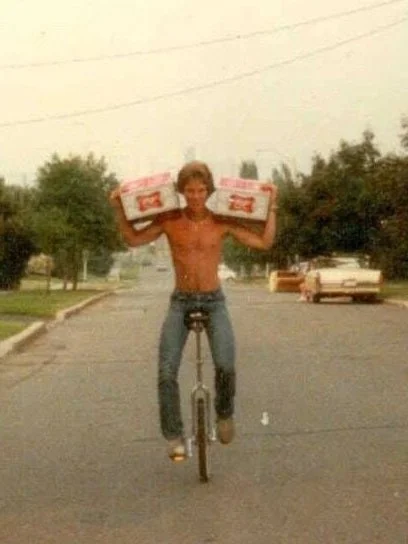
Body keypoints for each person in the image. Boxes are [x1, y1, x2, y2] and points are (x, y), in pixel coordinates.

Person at [110, 161, 278, 461]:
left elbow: (264, 241)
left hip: (214, 301)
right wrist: (120, 210)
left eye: (201, 190)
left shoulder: (222, 220)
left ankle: (224, 413)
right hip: (182, 301)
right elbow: (134, 239)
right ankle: (174, 435)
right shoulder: (169, 219)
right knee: (166, 371)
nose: (196, 196)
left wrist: (273, 207)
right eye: (190, 191)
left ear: (209, 191)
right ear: (181, 191)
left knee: (226, 364)